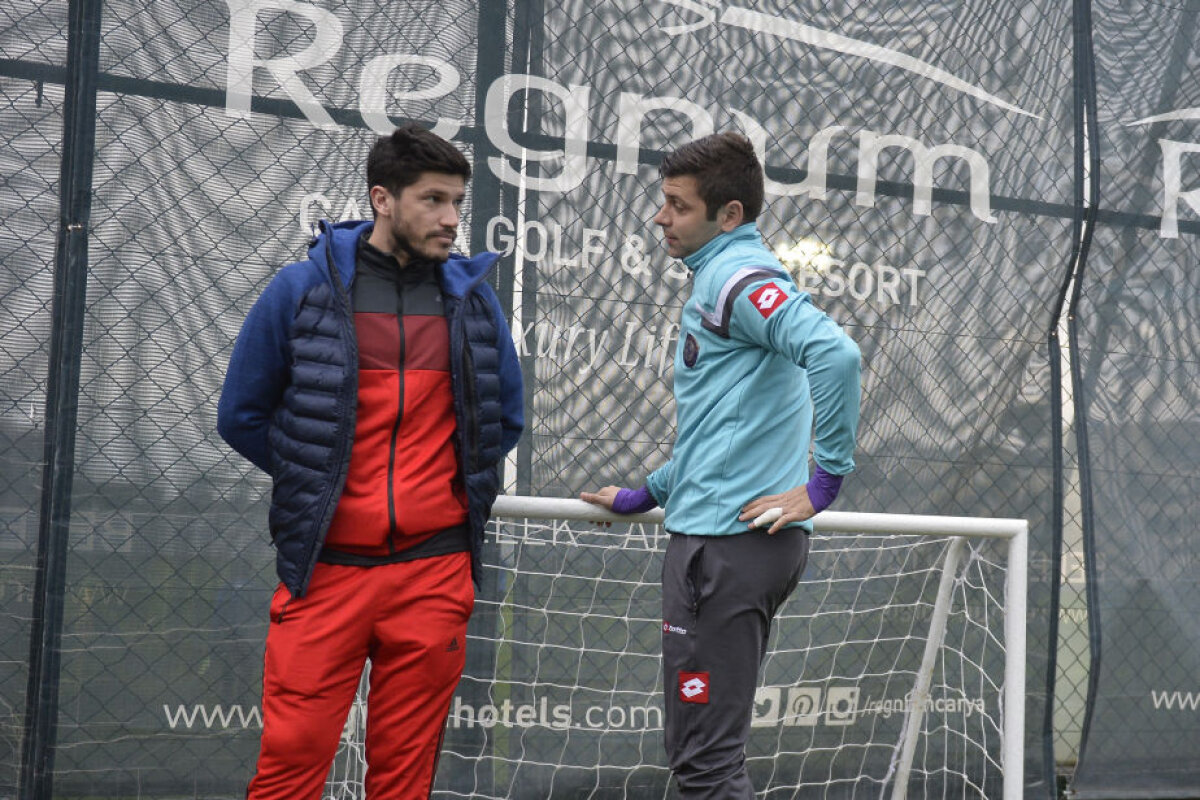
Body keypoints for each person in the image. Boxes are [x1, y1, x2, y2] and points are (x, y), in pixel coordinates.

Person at [217, 124, 523, 799]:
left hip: (434, 574)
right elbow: (240, 415)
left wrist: (438, 494)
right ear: (383, 199)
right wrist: (320, 479)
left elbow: (504, 421)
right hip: (326, 570)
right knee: (290, 765)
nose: (450, 219)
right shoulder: (301, 290)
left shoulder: (473, 301)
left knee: (403, 780)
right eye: (434, 200)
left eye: (457, 203)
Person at [581, 131, 860, 799]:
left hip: (727, 552)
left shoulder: (738, 278)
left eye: (676, 205)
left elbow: (838, 356)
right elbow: (724, 427)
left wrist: (823, 485)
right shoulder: (719, 276)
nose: (660, 218)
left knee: (705, 763)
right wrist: (647, 492)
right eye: (662, 202)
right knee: (700, 753)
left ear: (727, 215)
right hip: (722, 545)